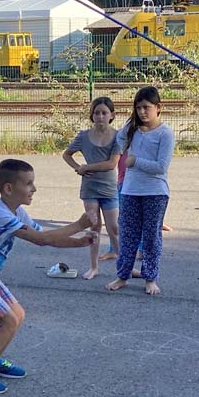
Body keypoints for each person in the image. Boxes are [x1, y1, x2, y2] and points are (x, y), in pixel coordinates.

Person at [0, 159, 97, 394]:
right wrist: (79, 224)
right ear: (8, 188)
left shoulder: (16, 211)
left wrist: (79, 242)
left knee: (17, 314)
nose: (34, 189)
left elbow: (45, 236)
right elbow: (43, 240)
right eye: (28, 184)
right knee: (7, 321)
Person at [106, 86, 175, 295]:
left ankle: (150, 277)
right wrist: (130, 124)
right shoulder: (132, 129)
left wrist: (136, 162)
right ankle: (122, 275)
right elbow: (119, 140)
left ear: (158, 107)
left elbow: (161, 167)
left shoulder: (165, 133)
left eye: (146, 107)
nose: (142, 112)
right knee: (127, 234)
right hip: (130, 190)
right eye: (138, 108)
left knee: (152, 236)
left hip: (155, 192)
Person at [62, 97, 122, 281]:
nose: (100, 116)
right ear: (92, 115)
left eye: (104, 112)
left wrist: (86, 167)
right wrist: (77, 167)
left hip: (109, 188)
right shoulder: (83, 136)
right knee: (94, 227)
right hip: (90, 189)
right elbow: (67, 154)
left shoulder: (118, 136)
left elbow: (112, 164)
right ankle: (94, 267)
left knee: (114, 228)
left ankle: (124, 267)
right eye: (97, 113)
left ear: (112, 115)